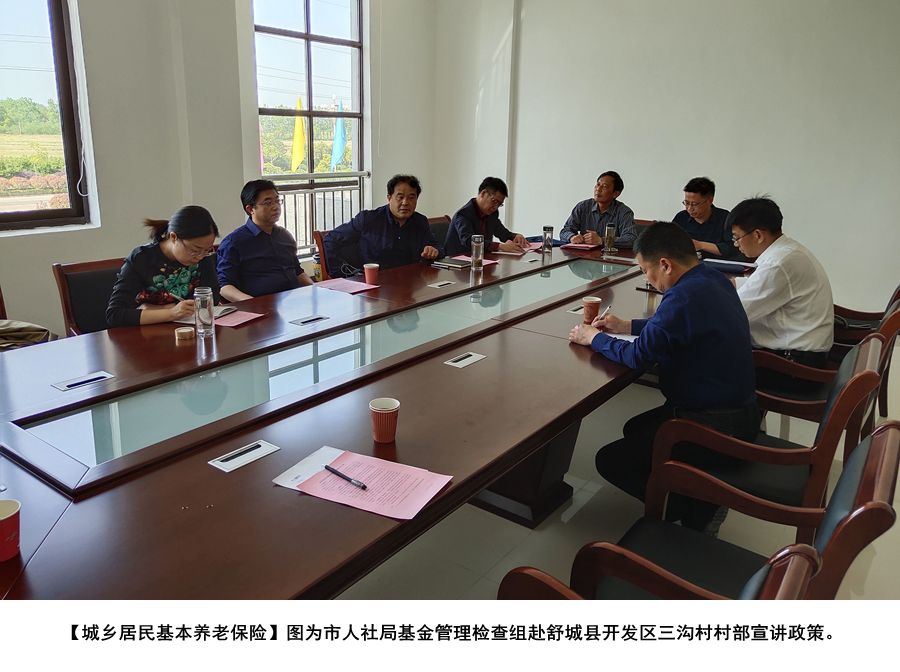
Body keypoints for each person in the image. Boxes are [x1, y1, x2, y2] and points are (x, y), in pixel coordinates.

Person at [568, 221, 758, 533]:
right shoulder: (711, 277)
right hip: (740, 413)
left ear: (666, 265)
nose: (647, 278)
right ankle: (690, 490)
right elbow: (671, 327)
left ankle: (696, 507)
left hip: (713, 424)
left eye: (646, 270)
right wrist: (626, 326)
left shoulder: (682, 297)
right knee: (635, 429)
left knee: (610, 460)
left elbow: (639, 355)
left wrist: (594, 338)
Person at [729, 197, 834, 381]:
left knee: (706, 362)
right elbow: (748, 286)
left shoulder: (779, 263)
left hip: (794, 365)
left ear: (758, 235)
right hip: (798, 354)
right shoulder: (786, 251)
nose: (736, 244)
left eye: (737, 238)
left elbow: (734, 313)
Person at [107, 205, 220, 327]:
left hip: (186, 329)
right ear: (173, 237)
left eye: (207, 250)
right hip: (145, 334)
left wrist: (159, 309)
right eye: (195, 250)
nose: (200, 257)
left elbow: (212, 297)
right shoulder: (142, 259)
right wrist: (171, 313)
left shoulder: (203, 257)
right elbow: (115, 315)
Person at [322, 174, 441, 277]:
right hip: (374, 283)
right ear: (389, 198)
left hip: (411, 283)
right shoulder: (368, 220)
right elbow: (329, 240)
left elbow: (437, 247)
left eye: (411, 198)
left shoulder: (420, 221)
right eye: (400, 197)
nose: (405, 202)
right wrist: (346, 273)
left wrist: (433, 251)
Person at [216, 180, 313, 303]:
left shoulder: (285, 236)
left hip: (293, 301)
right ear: (250, 209)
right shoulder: (234, 243)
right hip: (259, 306)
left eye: (277, 201)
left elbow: (298, 272)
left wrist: (315, 289)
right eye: (268, 203)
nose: (276, 207)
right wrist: (253, 302)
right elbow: (224, 287)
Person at [443, 177, 528, 256]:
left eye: (499, 204)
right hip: (458, 261)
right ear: (483, 193)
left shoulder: (492, 213)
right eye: (494, 201)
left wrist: (515, 236)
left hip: (482, 258)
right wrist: (500, 246)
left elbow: (501, 233)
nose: (496, 207)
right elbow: (468, 240)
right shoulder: (463, 214)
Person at [560, 171, 636, 247]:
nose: (598, 189)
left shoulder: (624, 212)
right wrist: (571, 237)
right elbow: (565, 230)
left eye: (604, 186)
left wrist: (601, 240)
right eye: (598, 184)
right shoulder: (583, 206)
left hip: (609, 254)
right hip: (584, 253)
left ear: (615, 194)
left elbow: (631, 239)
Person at [672, 176, 736, 258]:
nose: (689, 208)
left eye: (695, 204)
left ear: (710, 201)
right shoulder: (681, 217)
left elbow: (732, 248)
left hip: (716, 264)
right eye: (687, 203)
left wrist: (700, 245)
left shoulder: (725, 218)